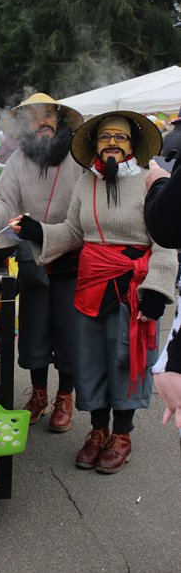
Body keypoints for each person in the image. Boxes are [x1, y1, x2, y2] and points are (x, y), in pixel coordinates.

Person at [12, 111, 178, 473]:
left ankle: (122, 435)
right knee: (91, 362)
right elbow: (73, 230)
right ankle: (97, 430)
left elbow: (166, 241)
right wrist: (37, 231)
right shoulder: (87, 183)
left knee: (123, 361)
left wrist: (156, 290)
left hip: (131, 289)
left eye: (120, 137)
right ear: (96, 145)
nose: (112, 143)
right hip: (90, 286)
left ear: (132, 145)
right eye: (105, 137)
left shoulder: (150, 181)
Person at [0, 93, 85, 432]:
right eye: (34, 116)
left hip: (72, 256)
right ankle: (39, 393)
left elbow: (86, 208)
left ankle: (64, 397)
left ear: (59, 119)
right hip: (34, 261)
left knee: (69, 332)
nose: (42, 122)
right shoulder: (20, 159)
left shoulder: (78, 157)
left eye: (48, 115)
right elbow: (3, 197)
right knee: (35, 332)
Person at [144, 156, 181, 445]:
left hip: (138, 285)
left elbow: (166, 230)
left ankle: (121, 433)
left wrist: (158, 183)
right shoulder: (86, 182)